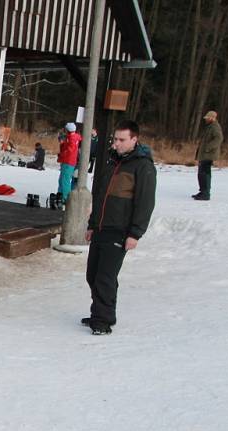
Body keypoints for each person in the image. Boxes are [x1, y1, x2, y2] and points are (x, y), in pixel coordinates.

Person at [83, 119, 156, 335]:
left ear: (134, 139)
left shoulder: (143, 166)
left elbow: (145, 202)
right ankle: (103, 312)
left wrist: (135, 233)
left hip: (120, 230)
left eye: (122, 140)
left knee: (105, 276)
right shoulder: (112, 162)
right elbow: (100, 197)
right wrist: (92, 224)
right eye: (115, 139)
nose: (117, 143)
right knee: (93, 274)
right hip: (101, 228)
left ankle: (102, 321)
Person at [193, 110, 223, 201]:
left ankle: (205, 193)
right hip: (205, 154)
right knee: (201, 173)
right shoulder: (209, 126)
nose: (206, 119)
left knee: (204, 173)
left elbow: (219, 139)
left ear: (212, 118)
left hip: (208, 155)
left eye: (207, 118)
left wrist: (208, 148)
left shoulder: (215, 127)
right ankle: (202, 191)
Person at [57, 122, 82, 204]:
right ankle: (60, 194)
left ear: (68, 130)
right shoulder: (73, 137)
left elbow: (70, 150)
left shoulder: (72, 138)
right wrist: (63, 144)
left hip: (68, 161)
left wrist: (62, 154)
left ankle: (66, 198)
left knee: (65, 180)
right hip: (68, 161)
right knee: (62, 180)